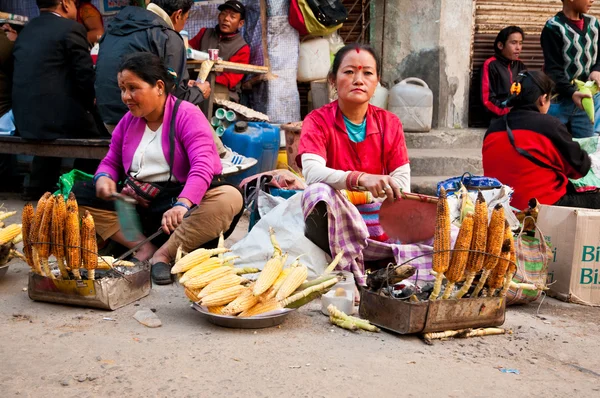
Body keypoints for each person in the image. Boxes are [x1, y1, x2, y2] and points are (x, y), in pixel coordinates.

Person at [81, 52, 244, 285]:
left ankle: (165, 255)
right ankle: (142, 247)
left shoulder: (187, 114)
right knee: (77, 195)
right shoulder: (128, 121)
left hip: (178, 212)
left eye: (133, 88)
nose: (126, 96)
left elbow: (203, 164)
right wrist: (105, 178)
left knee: (228, 197)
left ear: (158, 87)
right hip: (139, 206)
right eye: (122, 89)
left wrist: (183, 203)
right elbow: (111, 160)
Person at [297, 44, 411, 288]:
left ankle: (377, 262)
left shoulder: (390, 123)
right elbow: (312, 173)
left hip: (377, 217)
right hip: (335, 216)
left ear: (377, 81)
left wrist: (364, 192)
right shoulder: (317, 121)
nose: (358, 79)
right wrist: (362, 179)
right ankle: (343, 265)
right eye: (349, 72)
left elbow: (402, 184)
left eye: (367, 73)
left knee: (446, 228)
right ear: (332, 79)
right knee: (317, 192)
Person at [95, 0, 255, 174]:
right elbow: (179, 96)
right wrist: (199, 92)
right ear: (178, 15)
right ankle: (219, 156)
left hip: (107, 119)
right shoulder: (167, 35)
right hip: (134, 120)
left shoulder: (113, 29)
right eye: (186, 18)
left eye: (232, 16)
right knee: (187, 108)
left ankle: (219, 154)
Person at [12, 0, 106, 200]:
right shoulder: (71, 28)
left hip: (24, 119)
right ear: (65, 3)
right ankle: (80, 190)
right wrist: (93, 107)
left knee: (53, 117)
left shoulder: (26, 30)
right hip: (55, 120)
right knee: (100, 133)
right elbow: (85, 77)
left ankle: (38, 185)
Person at [482, 71, 600, 210]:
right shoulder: (549, 126)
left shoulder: (492, 130)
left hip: (501, 210)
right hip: (539, 207)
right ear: (542, 99)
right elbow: (580, 168)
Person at [541, 0, 600, 138]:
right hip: (559, 102)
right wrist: (572, 93)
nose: (592, 0)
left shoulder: (594, 24)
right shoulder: (553, 27)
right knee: (554, 145)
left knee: (585, 148)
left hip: (587, 101)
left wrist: (597, 69)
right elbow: (553, 71)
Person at [188, 0, 250, 102]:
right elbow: (188, 49)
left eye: (232, 17)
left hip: (224, 94)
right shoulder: (204, 33)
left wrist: (205, 83)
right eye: (223, 14)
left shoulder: (242, 48)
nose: (226, 19)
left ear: (240, 23)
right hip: (196, 87)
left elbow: (230, 79)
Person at [481, 26, 527, 118]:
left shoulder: (520, 65)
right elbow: (487, 100)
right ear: (500, 45)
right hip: (499, 117)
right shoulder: (490, 65)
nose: (518, 47)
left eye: (520, 43)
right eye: (513, 43)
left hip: (519, 116)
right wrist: (507, 111)